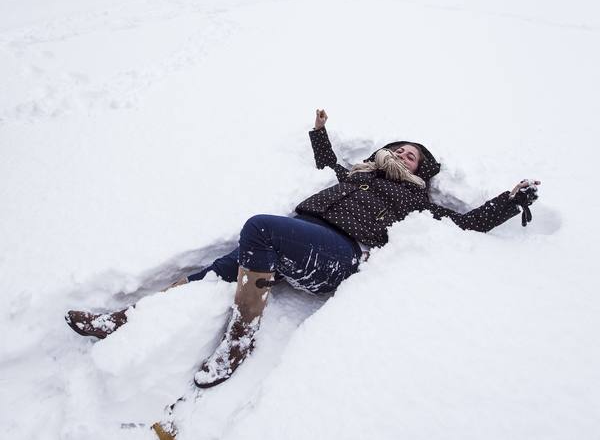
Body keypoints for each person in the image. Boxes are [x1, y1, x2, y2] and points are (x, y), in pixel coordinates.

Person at [66, 109, 540, 389]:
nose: (402, 154)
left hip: (340, 254)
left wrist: (510, 200)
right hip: (299, 239)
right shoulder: (356, 174)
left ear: (422, 170)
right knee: (217, 270)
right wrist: (319, 131)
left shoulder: (417, 201)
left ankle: (239, 341)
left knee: (258, 228)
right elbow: (327, 161)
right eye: (398, 148)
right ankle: (126, 318)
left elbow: (466, 223)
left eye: (412, 155)